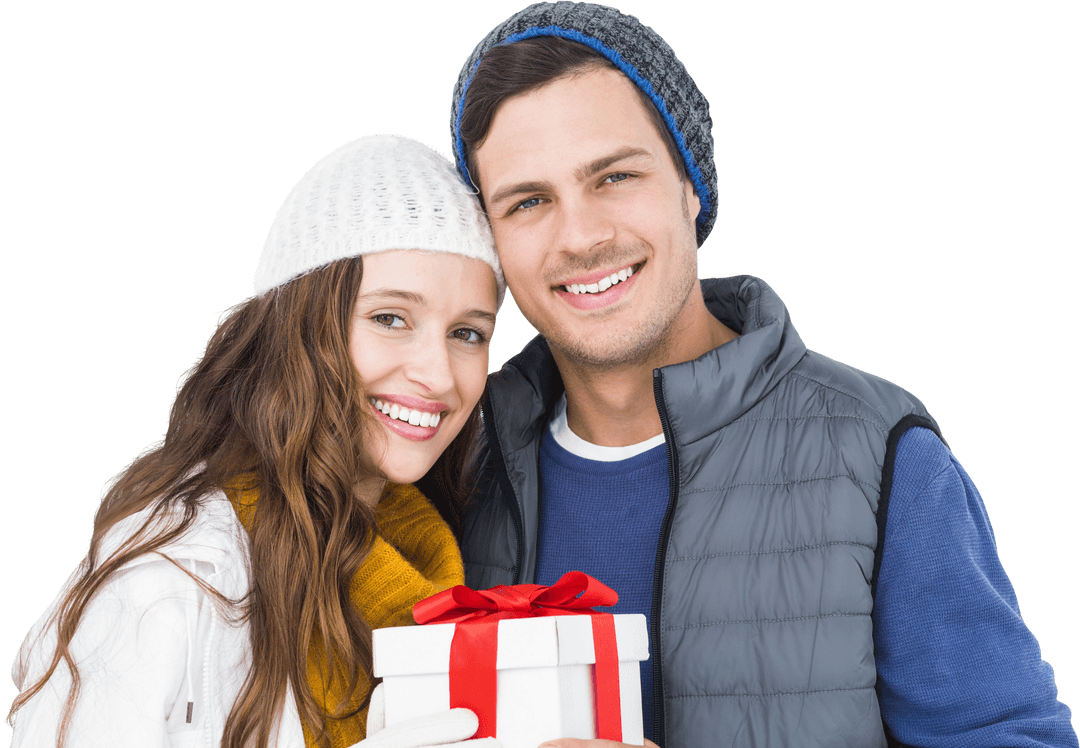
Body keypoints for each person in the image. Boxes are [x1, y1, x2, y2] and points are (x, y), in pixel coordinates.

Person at [445, 3, 1079, 747]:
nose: (581, 235)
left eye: (614, 176)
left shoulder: (877, 456)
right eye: (528, 201)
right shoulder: (451, 466)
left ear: (690, 184)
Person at [7, 135, 505, 748]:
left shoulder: (441, 557)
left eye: (468, 333)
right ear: (298, 329)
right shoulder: (168, 580)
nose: (438, 373)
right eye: (389, 318)